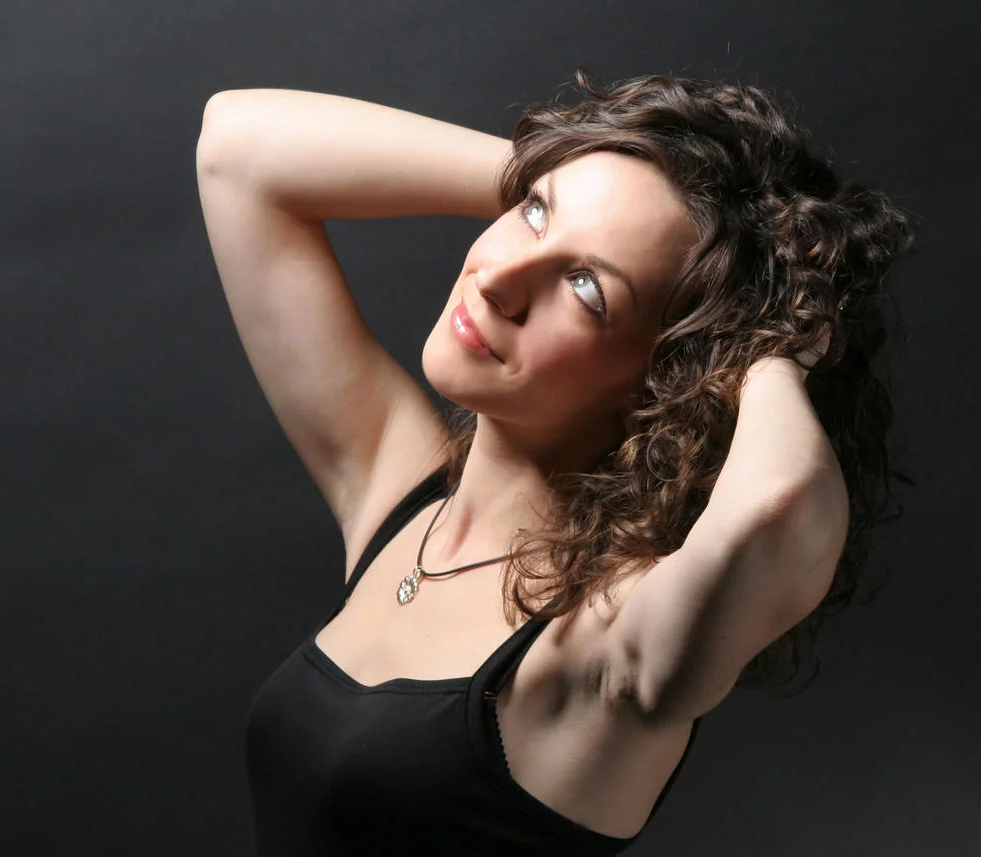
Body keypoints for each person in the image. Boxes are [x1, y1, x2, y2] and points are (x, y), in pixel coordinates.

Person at [196, 71, 912, 856]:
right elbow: (239, 149)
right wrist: (567, 169)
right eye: (533, 213)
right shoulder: (401, 499)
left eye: (586, 288)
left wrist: (766, 344)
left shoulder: (604, 636)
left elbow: (779, 507)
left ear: (669, 376)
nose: (499, 281)